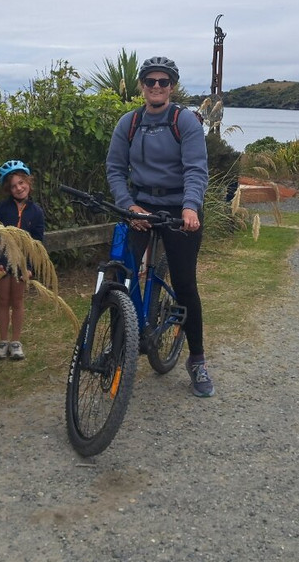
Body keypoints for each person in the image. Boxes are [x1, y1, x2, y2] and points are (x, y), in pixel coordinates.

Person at [105, 56, 214, 397]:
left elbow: (196, 168)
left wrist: (190, 207)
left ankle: (196, 360)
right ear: (141, 86)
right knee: (119, 278)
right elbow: (114, 168)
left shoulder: (186, 122)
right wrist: (129, 206)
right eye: (150, 81)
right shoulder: (130, 122)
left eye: (163, 82)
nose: (156, 87)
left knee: (185, 285)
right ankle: (117, 346)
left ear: (172, 86)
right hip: (140, 206)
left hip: (179, 209)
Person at [0, 160, 46, 361]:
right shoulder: (0, 209)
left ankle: (16, 341)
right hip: (3, 262)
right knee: (3, 300)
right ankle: (3, 340)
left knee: (18, 301)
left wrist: (29, 267)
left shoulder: (36, 212)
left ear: (28, 182)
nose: (19, 188)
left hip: (22, 264)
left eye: (22, 183)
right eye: (13, 186)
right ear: (8, 189)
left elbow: (37, 242)